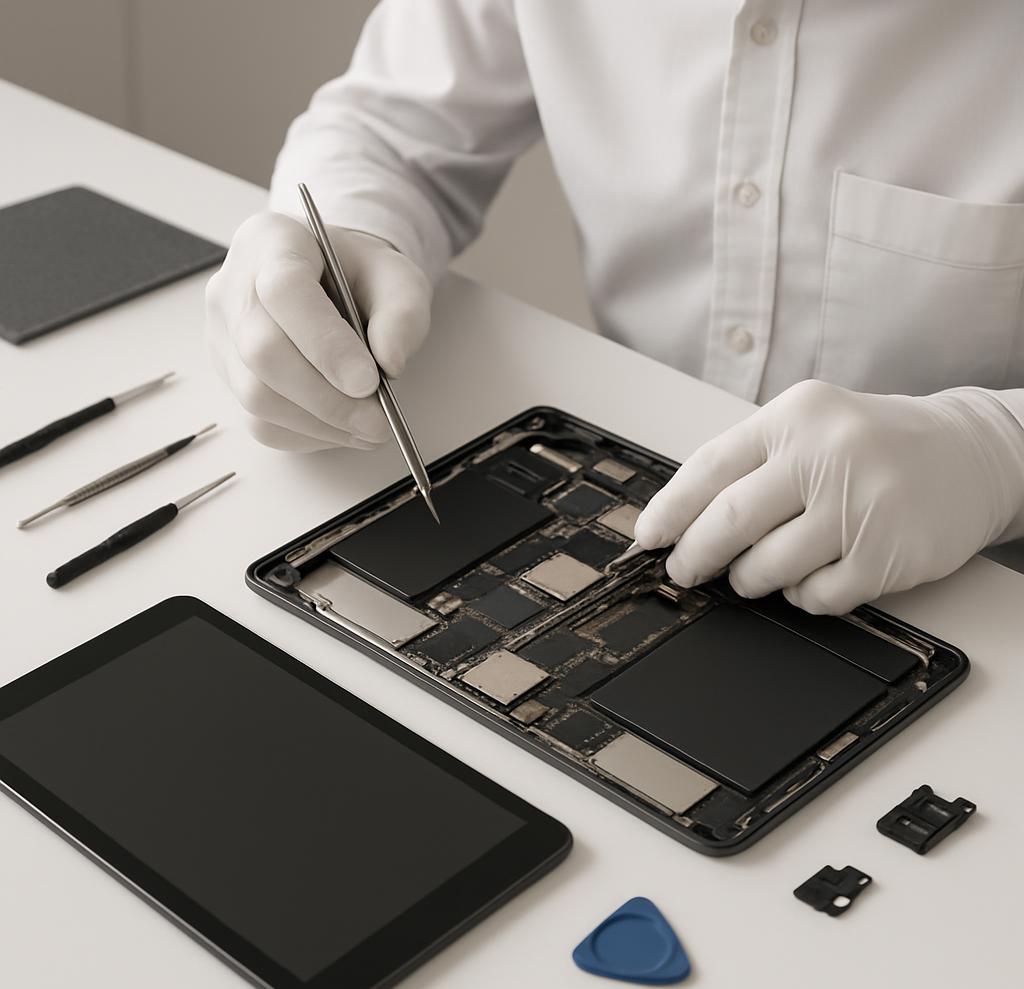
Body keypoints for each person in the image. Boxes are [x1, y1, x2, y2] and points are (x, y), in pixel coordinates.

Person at [206, 0, 1024, 615]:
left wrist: (998, 457)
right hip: (628, 497)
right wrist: (344, 240)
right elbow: (387, 127)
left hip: (971, 590)